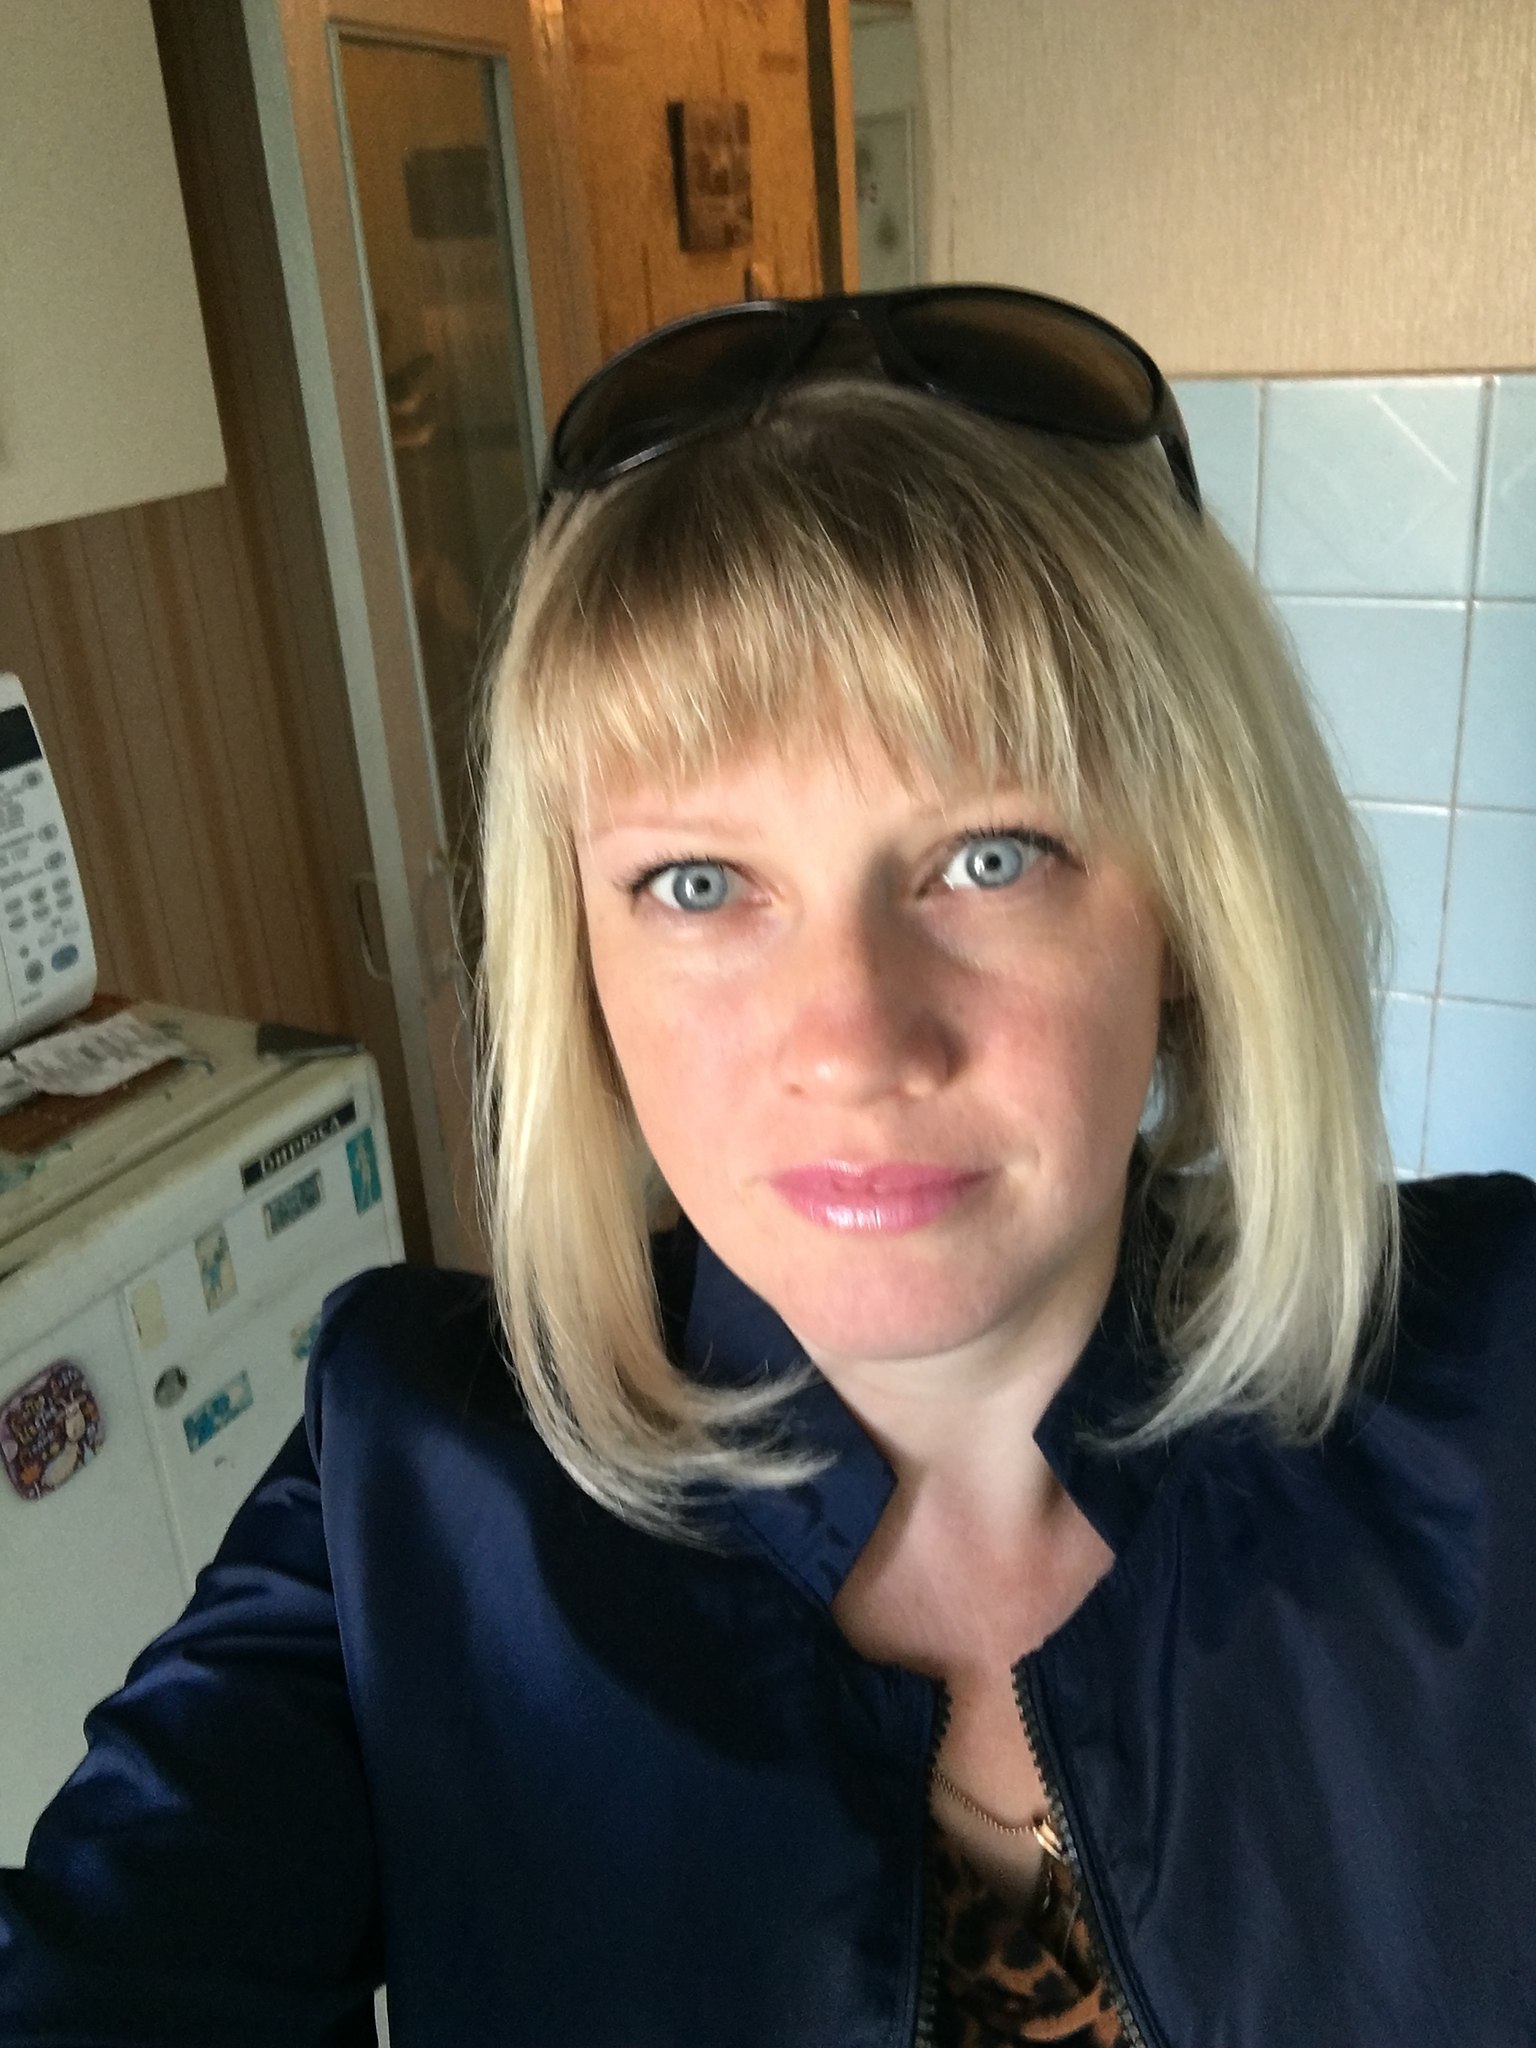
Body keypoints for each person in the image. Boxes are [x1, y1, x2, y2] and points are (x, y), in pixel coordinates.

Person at [2, 287, 1533, 2048]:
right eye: (700, 884)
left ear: (1190, 905)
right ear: (579, 964)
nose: (854, 1040)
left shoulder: (1497, 1388)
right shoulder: (410, 1489)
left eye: (990, 856)